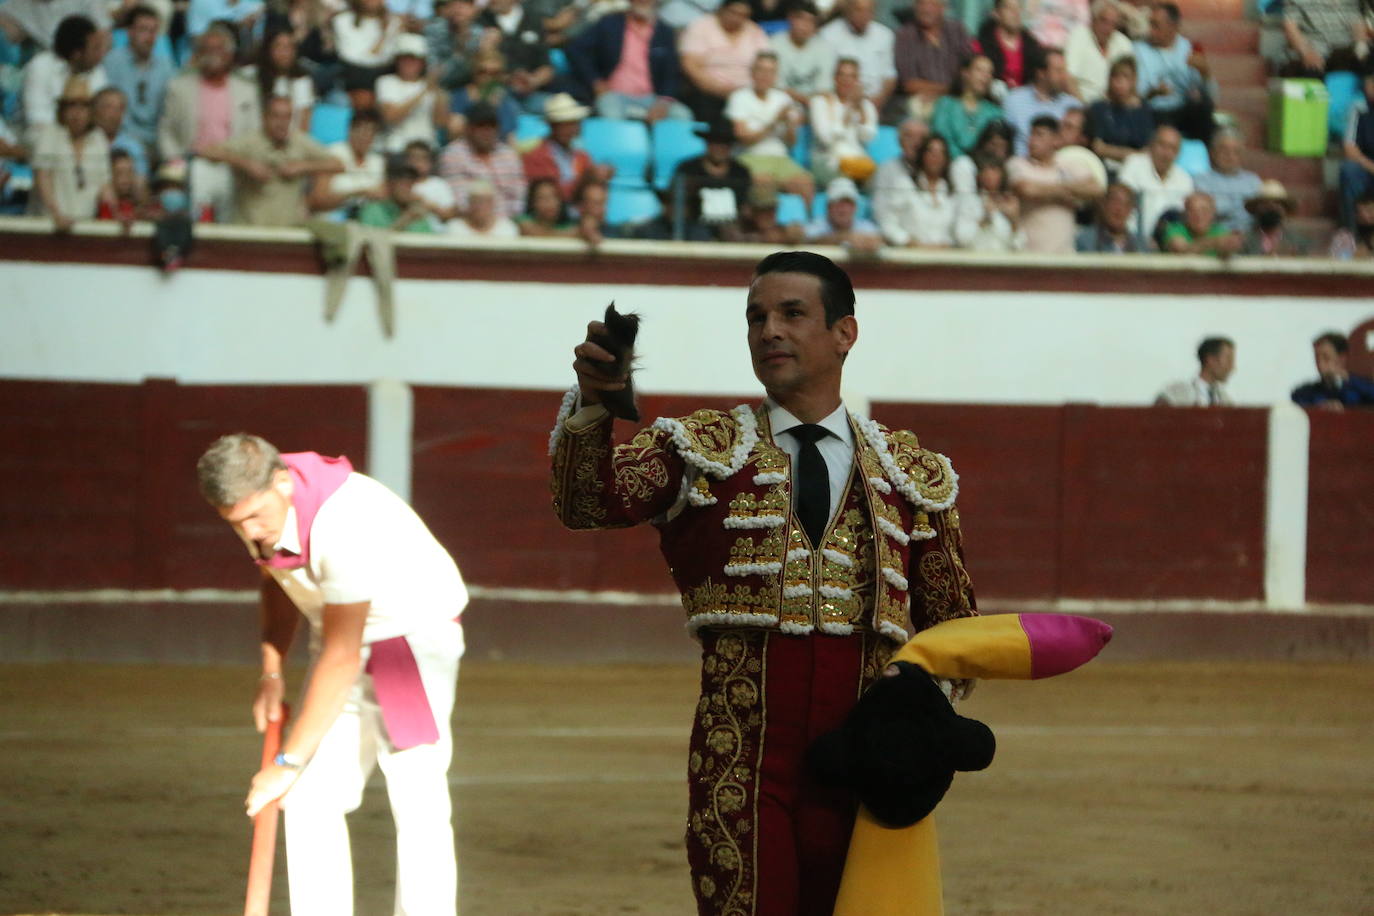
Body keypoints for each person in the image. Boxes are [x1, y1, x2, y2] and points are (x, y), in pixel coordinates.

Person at [549, 249, 977, 916]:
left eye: (791, 313)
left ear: (845, 333)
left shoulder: (905, 471)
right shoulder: (704, 446)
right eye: (756, 317)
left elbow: (954, 626)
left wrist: (921, 704)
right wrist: (594, 410)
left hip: (865, 759)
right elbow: (586, 503)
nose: (768, 330)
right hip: (739, 762)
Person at [195, 433, 467, 916]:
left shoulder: (342, 522)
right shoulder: (265, 510)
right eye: (236, 524)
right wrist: (272, 671)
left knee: (416, 794)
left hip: (405, 640)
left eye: (256, 516)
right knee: (307, 800)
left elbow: (341, 658)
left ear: (281, 483)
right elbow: (276, 577)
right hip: (342, 637)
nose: (251, 532)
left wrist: (284, 764)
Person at [158, 24, 260, 220]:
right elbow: (166, 130)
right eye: (206, 49)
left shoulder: (247, 90)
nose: (212, 54)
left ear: (230, 55)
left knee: (229, 227)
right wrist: (176, 160)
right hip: (192, 163)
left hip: (233, 166)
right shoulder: (178, 86)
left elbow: (254, 134)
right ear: (198, 54)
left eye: (218, 49)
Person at [200, 95, 342, 226]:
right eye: (276, 116)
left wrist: (302, 166)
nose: (282, 123)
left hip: (287, 230)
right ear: (264, 118)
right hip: (248, 230)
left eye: (287, 117)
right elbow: (206, 151)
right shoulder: (251, 141)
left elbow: (338, 164)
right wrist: (246, 164)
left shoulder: (299, 141)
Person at [568, 0, 693, 121]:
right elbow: (576, 49)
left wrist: (664, 101)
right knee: (610, 111)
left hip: (652, 97)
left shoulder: (665, 32)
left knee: (682, 115)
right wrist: (595, 81)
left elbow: (671, 72)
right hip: (614, 94)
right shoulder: (610, 23)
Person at [727, 50, 815, 205]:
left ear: (775, 75)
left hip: (780, 157)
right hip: (750, 157)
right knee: (764, 181)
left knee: (806, 182)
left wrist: (789, 124)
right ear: (752, 72)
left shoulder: (783, 99)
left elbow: (791, 142)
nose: (765, 75)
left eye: (770, 71)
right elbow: (743, 137)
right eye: (761, 70)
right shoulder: (739, 97)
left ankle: (807, 226)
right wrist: (774, 122)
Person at [1006, 113, 1101, 253]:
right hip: (1029, 254)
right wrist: (1066, 192)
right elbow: (1026, 189)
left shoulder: (1069, 163)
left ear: (1056, 140)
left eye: (1039, 135)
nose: (1032, 140)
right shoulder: (1018, 163)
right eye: (1031, 134)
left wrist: (1051, 190)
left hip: (1064, 255)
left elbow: (1096, 189)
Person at [30, 76, 110, 230]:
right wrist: (56, 214)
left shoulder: (98, 138)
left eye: (83, 106)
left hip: (85, 225)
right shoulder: (49, 134)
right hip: (47, 226)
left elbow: (104, 185)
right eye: (71, 106)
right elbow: (43, 178)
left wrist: (117, 211)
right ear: (62, 109)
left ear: (91, 110)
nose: (77, 112)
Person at [1133, 2, 1217, 144]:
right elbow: (1136, 96)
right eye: (1150, 24)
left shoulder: (1188, 49)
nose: (1150, 30)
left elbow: (1212, 97)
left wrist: (1205, 73)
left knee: (1203, 107)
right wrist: (1153, 93)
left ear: (1173, 27)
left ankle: (1206, 156)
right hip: (1153, 110)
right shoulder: (1138, 50)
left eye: (1156, 26)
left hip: (1181, 109)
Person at [678, 0, 771, 122]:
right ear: (722, 10)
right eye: (733, 13)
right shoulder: (702, 26)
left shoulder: (755, 31)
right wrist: (716, 88)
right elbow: (690, 65)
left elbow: (767, 64)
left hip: (747, 92)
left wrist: (749, 91)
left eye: (743, 15)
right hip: (708, 92)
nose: (737, 18)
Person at [101, 5, 174, 155]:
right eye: (143, 30)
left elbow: (168, 113)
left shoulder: (166, 67)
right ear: (130, 32)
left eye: (153, 31)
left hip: (157, 140)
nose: (149, 37)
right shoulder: (112, 62)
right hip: (122, 138)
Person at [21, 14, 108, 139]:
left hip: (85, 139)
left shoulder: (98, 70)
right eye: (95, 49)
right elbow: (36, 118)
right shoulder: (40, 66)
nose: (101, 54)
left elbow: (100, 115)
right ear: (76, 54)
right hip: (43, 138)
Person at [666, 118, 753, 240]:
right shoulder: (688, 169)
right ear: (707, 143)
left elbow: (746, 206)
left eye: (725, 144)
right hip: (694, 227)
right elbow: (674, 201)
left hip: (731, 228)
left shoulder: (740, 172)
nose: (720, 148)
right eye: (715, 143)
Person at [438, 100, 527, 218]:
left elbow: (518, 198)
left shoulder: (509, 155)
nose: (487, 132)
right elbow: (460, 201)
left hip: (507, 225)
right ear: (468, 128)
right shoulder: (454, 154)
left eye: (492, 126)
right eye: (481, 126)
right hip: (468, 223)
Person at [521, 92, 615, 201]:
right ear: (552, 126)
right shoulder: (536, 157)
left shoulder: (582, 156)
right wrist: (586, 179)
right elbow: (551, 198)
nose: (570, 129)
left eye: (573, 123)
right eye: (564, 125)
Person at [893, 0, 976, 122]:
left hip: (956, 96)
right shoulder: (905, 35)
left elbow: (970, 68)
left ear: (943, 8)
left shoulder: (957, 31)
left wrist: (951, 91)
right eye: (921, 4)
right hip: (921, 98)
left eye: (931, 4)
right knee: (918, 108)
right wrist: (948, 90)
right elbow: (909, 83)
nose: (926, 9)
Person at [873, 131, 958, 246]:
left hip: (946, 256)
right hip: (910, 256)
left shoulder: (951, 191)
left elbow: (957, 230)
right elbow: (887, 222)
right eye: (931, 152)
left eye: (941, 153)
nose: (936, 157)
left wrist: (948, 243)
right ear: (922, 155)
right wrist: (907, 241)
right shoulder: (905, 184)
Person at [818, 0, 897, 114]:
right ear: (848, 10)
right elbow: (826, 77)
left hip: (876, 102)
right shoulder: (828, 35)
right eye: (858, 10)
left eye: (868, 11)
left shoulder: (885, 35)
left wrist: (876, 103)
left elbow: (890, 77)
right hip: (840, 102)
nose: (863, 15)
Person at [808, 57, 879, 185]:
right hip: (827, 160)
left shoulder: (866, 105)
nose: (846, 80)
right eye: (842, 75)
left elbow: (868, 136)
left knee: (882, 181)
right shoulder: (820, 102)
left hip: (857, 160)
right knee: (844, 184)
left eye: (852, 76)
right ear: (835, 78)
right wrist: (849, 109)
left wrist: (860, 107)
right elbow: (826, 139)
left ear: (857, 80)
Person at [478, 0, 556, 113]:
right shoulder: (482, 21)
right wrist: (486, 49)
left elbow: (546, 67)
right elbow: (478, 70)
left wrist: (533, 81)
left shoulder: (533, 20)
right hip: (498, 92)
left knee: (559, 109)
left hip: (532, 93)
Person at [376, 33, 448, 154]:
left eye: (414, 59)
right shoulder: (386, 82)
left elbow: (441, 122)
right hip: (397, 147)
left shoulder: (431, 86)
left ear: (422, 62)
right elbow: (391, 117)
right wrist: (424, 90)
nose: (409, 63)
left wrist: (437, 90)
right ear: (397, 60)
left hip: (427, 147)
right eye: (405, 58)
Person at [1118, 124, 1190, 242]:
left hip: (1167, 244)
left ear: (1178, 153)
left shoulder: (1184, 179)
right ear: (1151, 145)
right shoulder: (1133, 165)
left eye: (1172, 148)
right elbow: (1122, 206)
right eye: (1162, 145)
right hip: (1132, 240)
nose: (1166, 153)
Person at [309, 107, 386, 215]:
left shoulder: (378, 162)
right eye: (361, 131)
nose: (364, 137)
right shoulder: (333, 154)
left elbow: (383, 195)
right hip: (331, 218)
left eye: (370, 132)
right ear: (350, 130)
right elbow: (317, 201)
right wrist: (357, 193)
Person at [1002, 49, 1079, 156]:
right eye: (1058, 71)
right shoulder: (1014, 100)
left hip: (1060, 166)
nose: (1064, 77)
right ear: (1041, 73)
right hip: (1021, 164)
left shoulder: (1072, 106)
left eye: (1064, 71)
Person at [928, 52, 1002, 160]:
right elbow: (941, 138)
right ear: (965, 73)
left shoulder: (995, 112)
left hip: (983, 166)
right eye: (980, 70)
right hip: (950, 162)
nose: (986, 76)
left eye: (989, 73)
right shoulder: (946, 104)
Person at [1086, 56, 1154, 172]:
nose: (1119, 83)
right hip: (1104, 166)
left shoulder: (1144, 110)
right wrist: (1133, 154)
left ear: (1134, 80)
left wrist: (1114, 151)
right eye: (1115, 77)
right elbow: (1099, 147)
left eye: (1125, 77)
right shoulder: (1099, 108)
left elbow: (1147, 151)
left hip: (1136, 169)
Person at [332, 0, 403, 109]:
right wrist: (383, 37)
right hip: (351, 74)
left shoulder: (394, 22)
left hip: (382, 73)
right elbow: (353, 55)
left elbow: (388, 56)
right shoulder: (343, 20)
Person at [243, 28, 316, 133]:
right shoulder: (250, 76)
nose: (285, 53)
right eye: (279, 47)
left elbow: (303, 125)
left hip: (290, 142)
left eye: (289, 47)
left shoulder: (302, 81)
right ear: (268, 50)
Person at [1064, 0, 1132, 103]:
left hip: (1116, 105)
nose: (1107, 28)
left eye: (1113, 23)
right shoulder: (1079, 36)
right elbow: (1069, 79)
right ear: (1093, 19)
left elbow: (1131, 81)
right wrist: (1085, 108)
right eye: (1104, 21)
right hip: (1084, 102)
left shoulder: (1123, 43)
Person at [449, 50, 524, 142]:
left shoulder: (506, 100)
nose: (489, 77)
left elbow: (511, 137)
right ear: (474, 72)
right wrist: (481, 107)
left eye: (495, 73)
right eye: (483, 72)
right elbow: (454, 132)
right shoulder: (461, 96)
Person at [1278, 0, 1368, 75]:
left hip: (1343, 53)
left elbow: (1357, 24)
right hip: (1314, 51)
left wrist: (1361, 46)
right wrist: (1306, 52)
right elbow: (1290, 27)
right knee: (1311, 71)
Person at [769, 1, 835, 104]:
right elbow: (775, 86)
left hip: (816, 103)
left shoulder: (824, 48)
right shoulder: (774, 45)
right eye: (801, 19)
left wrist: (811, 102)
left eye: (811, 21)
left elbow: (824, 88)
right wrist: (805, 100)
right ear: (790, 18)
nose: (805, 26)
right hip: (783, 102)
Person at [954, 154, 1023, 249]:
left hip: (1003, 260)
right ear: (979, 175)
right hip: (977, 260)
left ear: (1002, 174)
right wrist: (985, 219)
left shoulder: (1009, 203)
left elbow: (1019, 245)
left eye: (994, 170)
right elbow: (962, 239)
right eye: (985, 170)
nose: (990, 175)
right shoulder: (970, 202)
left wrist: (1014, 220)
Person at [1291, 331, 1374, 410]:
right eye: (1317, 358)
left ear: (1341, 359)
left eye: (1326, 358)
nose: (1320, 363)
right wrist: (1321, 405)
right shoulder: (1310, 392)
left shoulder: (1358, 388)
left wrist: (1348, 378)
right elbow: (1297, 398)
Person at [977, 0, 1044, 91]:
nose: (1015, 13)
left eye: (1018, 8)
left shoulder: (1033, 46)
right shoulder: (982, 44)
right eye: (1009, 8)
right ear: (996, 13)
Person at [357, 160, 441, 231]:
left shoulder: (417, 213)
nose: (407, 186)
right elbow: (373, 243)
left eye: (411, 181)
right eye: (402, 181)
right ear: (390, 184)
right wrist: (405, 219)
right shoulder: (372, 210)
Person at [803, 174, 882, 247]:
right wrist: (844, 237)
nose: (843, 210)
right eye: (838, 204)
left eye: (848, 204)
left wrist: (874, 242)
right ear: (828, 207)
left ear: (855, 207)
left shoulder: (866, 227)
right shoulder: (816, 226)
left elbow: (878, 240)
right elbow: (807, 241)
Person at [424, 0, 487, 91]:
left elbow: (483, 73)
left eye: (465, 4)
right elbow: (434, 74)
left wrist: (485, 51)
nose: (458, 9)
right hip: (440, 88)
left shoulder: (481, 34)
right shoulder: (433, 30)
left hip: (470, 88)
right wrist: (460, 50)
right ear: (446, 9)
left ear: (475, 10)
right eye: (454, 4)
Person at [1338, 71, 1374, 231]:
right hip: (1367, 170)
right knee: (1349, 170)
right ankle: (1351, 234)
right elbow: (1349, 149)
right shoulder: (1359, 107)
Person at [1156, 336, 1236, 406]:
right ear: (1211, 360)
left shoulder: (1226, 401)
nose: (1232, 367)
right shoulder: (1175, 394)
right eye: (1229, 360)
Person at [1159, 190, 1242, 257]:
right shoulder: (1175, 229)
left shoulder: (1219, 230)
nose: (1199, 216)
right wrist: (1214, 243)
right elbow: (1182, 250)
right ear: (1185, 214)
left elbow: (1227, 253)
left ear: (1213, 214)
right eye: (1192, 211)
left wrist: (1229, 247)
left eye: (1204, 211)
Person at [0, 0, 110, 48]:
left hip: (86, 62)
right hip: (48, 69)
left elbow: (104, 38)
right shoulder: (17, 6)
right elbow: (9, 34)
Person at [1240, 179, 1309, 256]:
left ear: (1284, 209)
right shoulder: (1243, 241)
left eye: (1276, 203)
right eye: (1265, 203)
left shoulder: (1298, 242)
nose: (1271, 207)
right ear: (1256, 209)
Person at [1075, 180, 1148, 251]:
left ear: (1131, 210)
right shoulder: (1085, 240)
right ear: (1104, 205)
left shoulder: (1140, 244)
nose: (1119, 209)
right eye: (1115, 202)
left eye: (1125, 204)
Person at [91, 86, 148, 176]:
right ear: (94, 110)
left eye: (120, 108)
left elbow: (141, 181)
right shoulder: (82, 142)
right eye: (108, 107)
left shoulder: (133, 147)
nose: (114, 114)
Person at [948, 116, 1010, 191]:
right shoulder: (965, 164)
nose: (996, 151)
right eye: (993, 144)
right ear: (983, 144)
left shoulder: (1009, 167)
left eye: (1001, 146)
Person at [403, 138, 459, 218]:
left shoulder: (439, 184)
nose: (417, 162)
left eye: (422, 158)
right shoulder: (399, 184)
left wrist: (428, 205)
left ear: (430, 163)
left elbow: (450, 215)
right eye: (413, 157)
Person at [448, 177, 521, 235]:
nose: (480, 206)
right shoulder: (455, 227)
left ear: (493, 203)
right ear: (469, 204)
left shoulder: (507, 228)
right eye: (475, 201)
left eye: (485, 202)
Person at [98, 148, 152, 222]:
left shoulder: (139, 190)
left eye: (129, 173)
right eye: (119, 173)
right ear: (111, 174)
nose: (125, 180)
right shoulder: (107, 194)